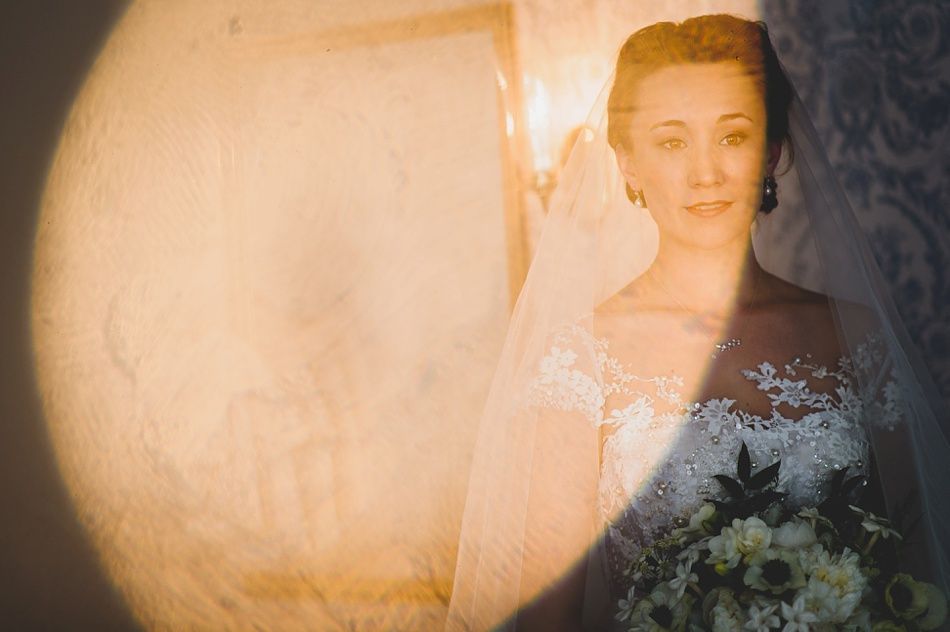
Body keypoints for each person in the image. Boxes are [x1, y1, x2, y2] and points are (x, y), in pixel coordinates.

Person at [446, 13, 950, 632]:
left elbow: (920, 575)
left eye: (732, 137)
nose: (705, 173)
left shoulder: (855, 337)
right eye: (672, 142)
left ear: (772, 152)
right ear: (629, 164)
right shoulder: (580, 361)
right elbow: (545, 617)